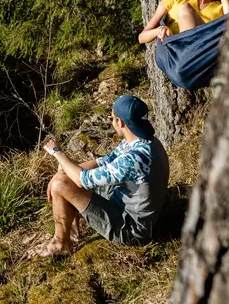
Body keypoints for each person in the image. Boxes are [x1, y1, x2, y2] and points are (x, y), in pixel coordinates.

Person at [28, 95, 169, 258]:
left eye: (112, 118)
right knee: (64, 174)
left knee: (61, 184)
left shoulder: (133, 159)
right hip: (134, 208)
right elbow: (104, 161)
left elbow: (82, 180)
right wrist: (62, 172)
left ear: (120, 122)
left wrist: (57, 153)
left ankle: (60, 244)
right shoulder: (145, 142)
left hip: (131, 229)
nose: (111, 122)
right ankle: (71, 232)